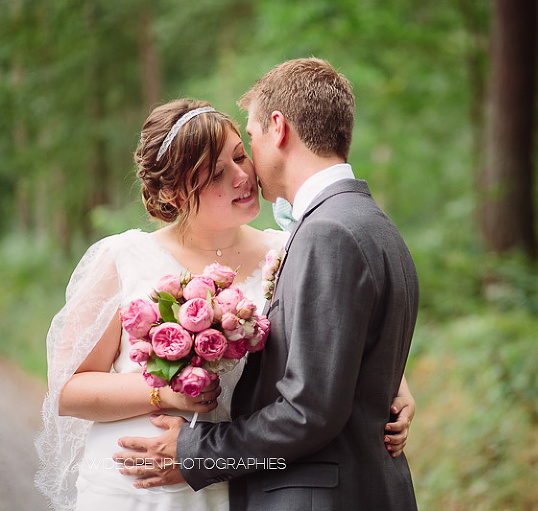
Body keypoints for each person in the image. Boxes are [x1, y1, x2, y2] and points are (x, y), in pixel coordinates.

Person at [35, 98, 415, 511]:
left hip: (237, 477)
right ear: (172, 192)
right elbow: (68, 389)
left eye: (239, 156)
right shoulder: (124, 258)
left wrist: (396, 385)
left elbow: (332, 339)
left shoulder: (289, 249)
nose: (242, 176)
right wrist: (165, 394)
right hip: (137, 482)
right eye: (217, 173)